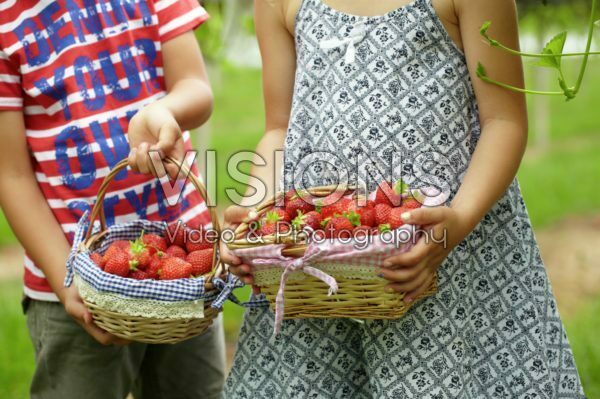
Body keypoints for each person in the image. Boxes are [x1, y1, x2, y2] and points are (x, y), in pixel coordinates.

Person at [220, 0, 586, 397]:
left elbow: (504, 121)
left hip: (437, 250)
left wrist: (458, 221)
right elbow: (279, 128)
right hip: (316, 262)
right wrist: (255, 218)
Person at [0, 1, 224, 398]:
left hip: (183, 263)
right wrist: (66, 281)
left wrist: (162, 111)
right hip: (77, 278)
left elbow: (196, 87)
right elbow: (11, 174)